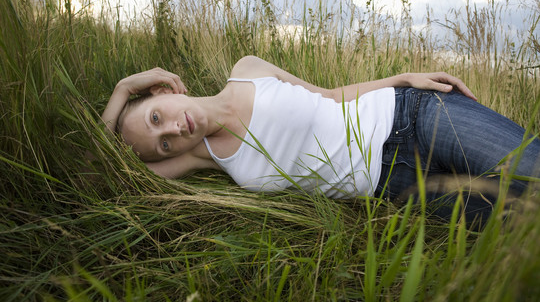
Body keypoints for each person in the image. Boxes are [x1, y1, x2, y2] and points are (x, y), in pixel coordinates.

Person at [101, 55, 540, 225]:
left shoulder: (248, 69)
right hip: (398, 187)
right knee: (527, 219)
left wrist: (404, 77)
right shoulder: (203, 157)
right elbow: (100, 173)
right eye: (162, 143)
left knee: (534, 170)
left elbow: (330, 97)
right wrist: (122, 91)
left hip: (413, 115)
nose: (173, 131)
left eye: (157, 117)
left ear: (163, 90)